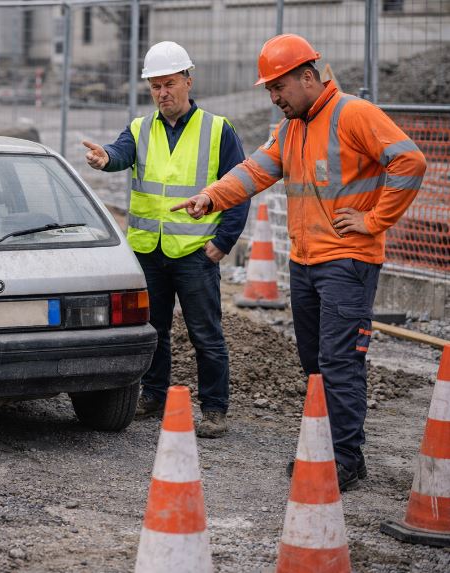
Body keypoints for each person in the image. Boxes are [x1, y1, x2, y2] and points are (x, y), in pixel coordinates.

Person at [172, 34, 427, 489]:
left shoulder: (353, 113)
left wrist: (373, 220)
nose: (274, 98)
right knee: (315, 362)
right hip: (306, 264)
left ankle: (345, 458)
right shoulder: (292, 129)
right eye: (269, 90)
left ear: (308, 77)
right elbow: (254, 172)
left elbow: (409, 161)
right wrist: (210, 198)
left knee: (339, 362)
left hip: (347, 262)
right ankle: (326, 448)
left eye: (279, 87)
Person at [83, 41, 249, 437]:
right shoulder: (141, 128)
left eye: (169, 83)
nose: (162, 93)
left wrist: (223, 242)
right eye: (155, 86)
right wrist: (105, 157)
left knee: (205, 333)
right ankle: (154, 396)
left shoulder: (217, 130)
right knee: (152, 330)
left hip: (195, 252)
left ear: (188, 81)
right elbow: (120, 153)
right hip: (149, 252)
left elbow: (239, 186)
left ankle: (214, 408)